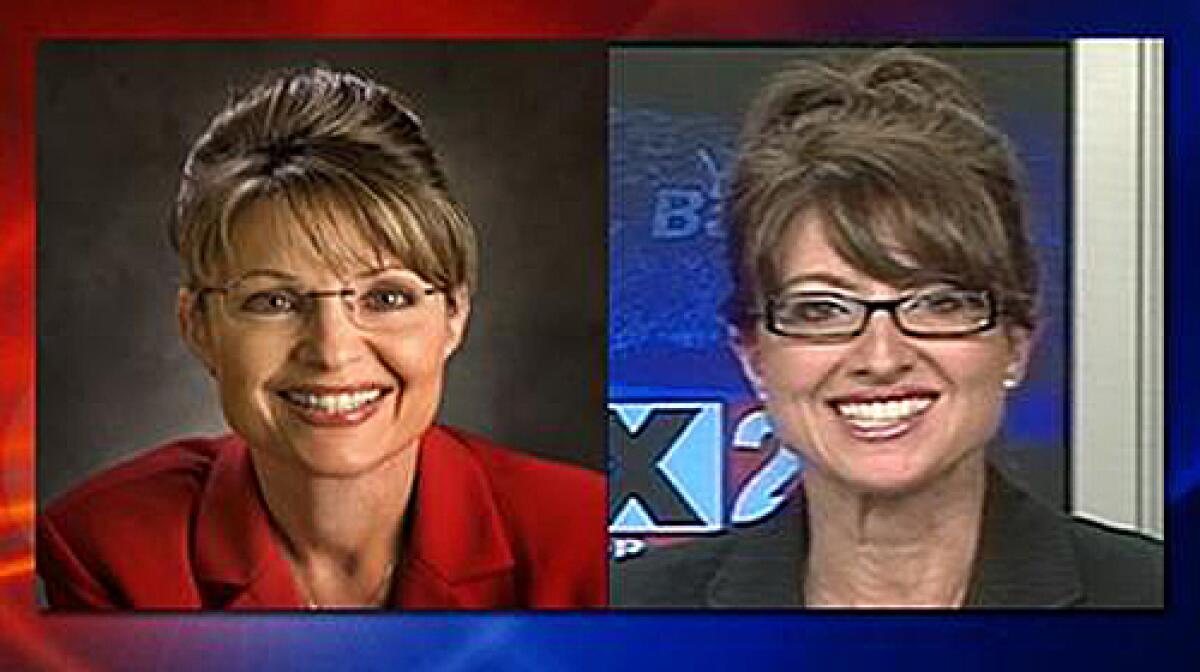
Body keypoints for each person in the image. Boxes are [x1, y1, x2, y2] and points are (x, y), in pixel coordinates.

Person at [38, 66, 606, 609]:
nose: (333, 351)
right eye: (274, 301)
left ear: (454, 313)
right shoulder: (105, 550)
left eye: (386, 297)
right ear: (199, 327)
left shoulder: (590, 539)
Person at [612, 48, 1162, 608]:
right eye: (822, 309)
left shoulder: (1149, 595)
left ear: (1017, 343)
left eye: (936, 302)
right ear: (754, 355)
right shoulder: (632, 610)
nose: (881, 356)